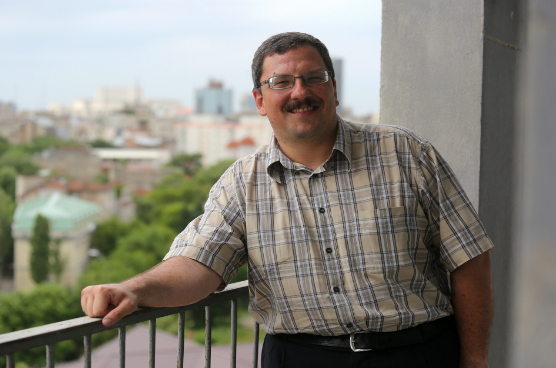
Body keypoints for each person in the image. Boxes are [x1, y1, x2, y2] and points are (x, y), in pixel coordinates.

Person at [81, 32, 493, 368]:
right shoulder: (241, 184)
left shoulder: (406, 153)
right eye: (281, 82)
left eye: (313, 78)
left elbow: (469, 258)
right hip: (300, 358)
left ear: (333, 88)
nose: (300, 91)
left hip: (417, 355)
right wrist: (133, 290)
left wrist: (473, 359)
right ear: (260, 101)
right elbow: (197, 264)